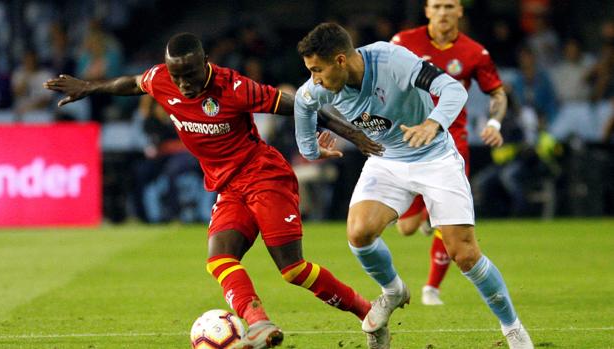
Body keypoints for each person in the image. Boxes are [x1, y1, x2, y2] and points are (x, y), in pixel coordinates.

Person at [44, 32, 385, 349]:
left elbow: (299, 104)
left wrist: (353, 134)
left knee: (292, 270)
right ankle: (258, 323)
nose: (183, 84)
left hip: (264, 176)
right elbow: (133, 83)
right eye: (177, 76)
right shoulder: (161, 79)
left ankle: (367, 311)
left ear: (205, 62)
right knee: (219, 258)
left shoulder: (233, 87)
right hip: (228, 186)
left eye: (189, 75)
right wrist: (91, 87)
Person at [294, 22, 534, 349]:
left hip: (435, 157)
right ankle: (393, 291)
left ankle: (513, 329)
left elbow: (454, 89)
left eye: (317, 70)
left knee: (464, 254)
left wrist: (433, 123)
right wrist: (310, 149)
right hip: (387, 160)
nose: (315, 79)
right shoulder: (319, 87)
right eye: (310, 71)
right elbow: (302, 104)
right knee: (359, 233)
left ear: (340, 60)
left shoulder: (392, 61)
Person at [390, 0, 508, 306]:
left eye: (449, 5)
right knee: (405, 228)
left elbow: (497, 93)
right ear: (427, 11)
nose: (443, 12)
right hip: (409, 141)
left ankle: (431, 288)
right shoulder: (404, 42)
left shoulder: (474, 52)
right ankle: (427, 215)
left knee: (450, 219)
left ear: (460, 12)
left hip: (451, 144)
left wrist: (495, 122)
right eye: (437, 6)